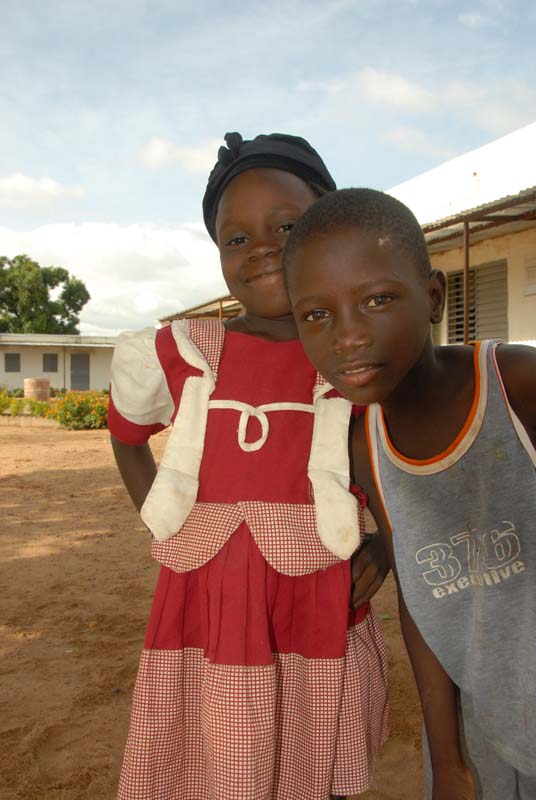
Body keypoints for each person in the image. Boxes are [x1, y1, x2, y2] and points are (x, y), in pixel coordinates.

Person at [108, 135, 390, 800]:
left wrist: (388, 546)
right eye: (234, 239)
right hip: (205, 599)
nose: (261, 249)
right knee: (213, 761)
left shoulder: (351, 350)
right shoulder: (186, 350)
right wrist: (165, 523)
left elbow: (385, 456)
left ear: (331, 225)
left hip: (316, 593)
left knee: (314, 756)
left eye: (287, 227)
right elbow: (126, 437)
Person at [284, 186, 536, 800]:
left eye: (376, 299)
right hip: (481, 730)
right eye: (317, 314)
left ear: (432, 296)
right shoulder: (362, 440)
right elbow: (426, 599)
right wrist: (447, 760)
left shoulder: (519, 388)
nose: (347, 336)